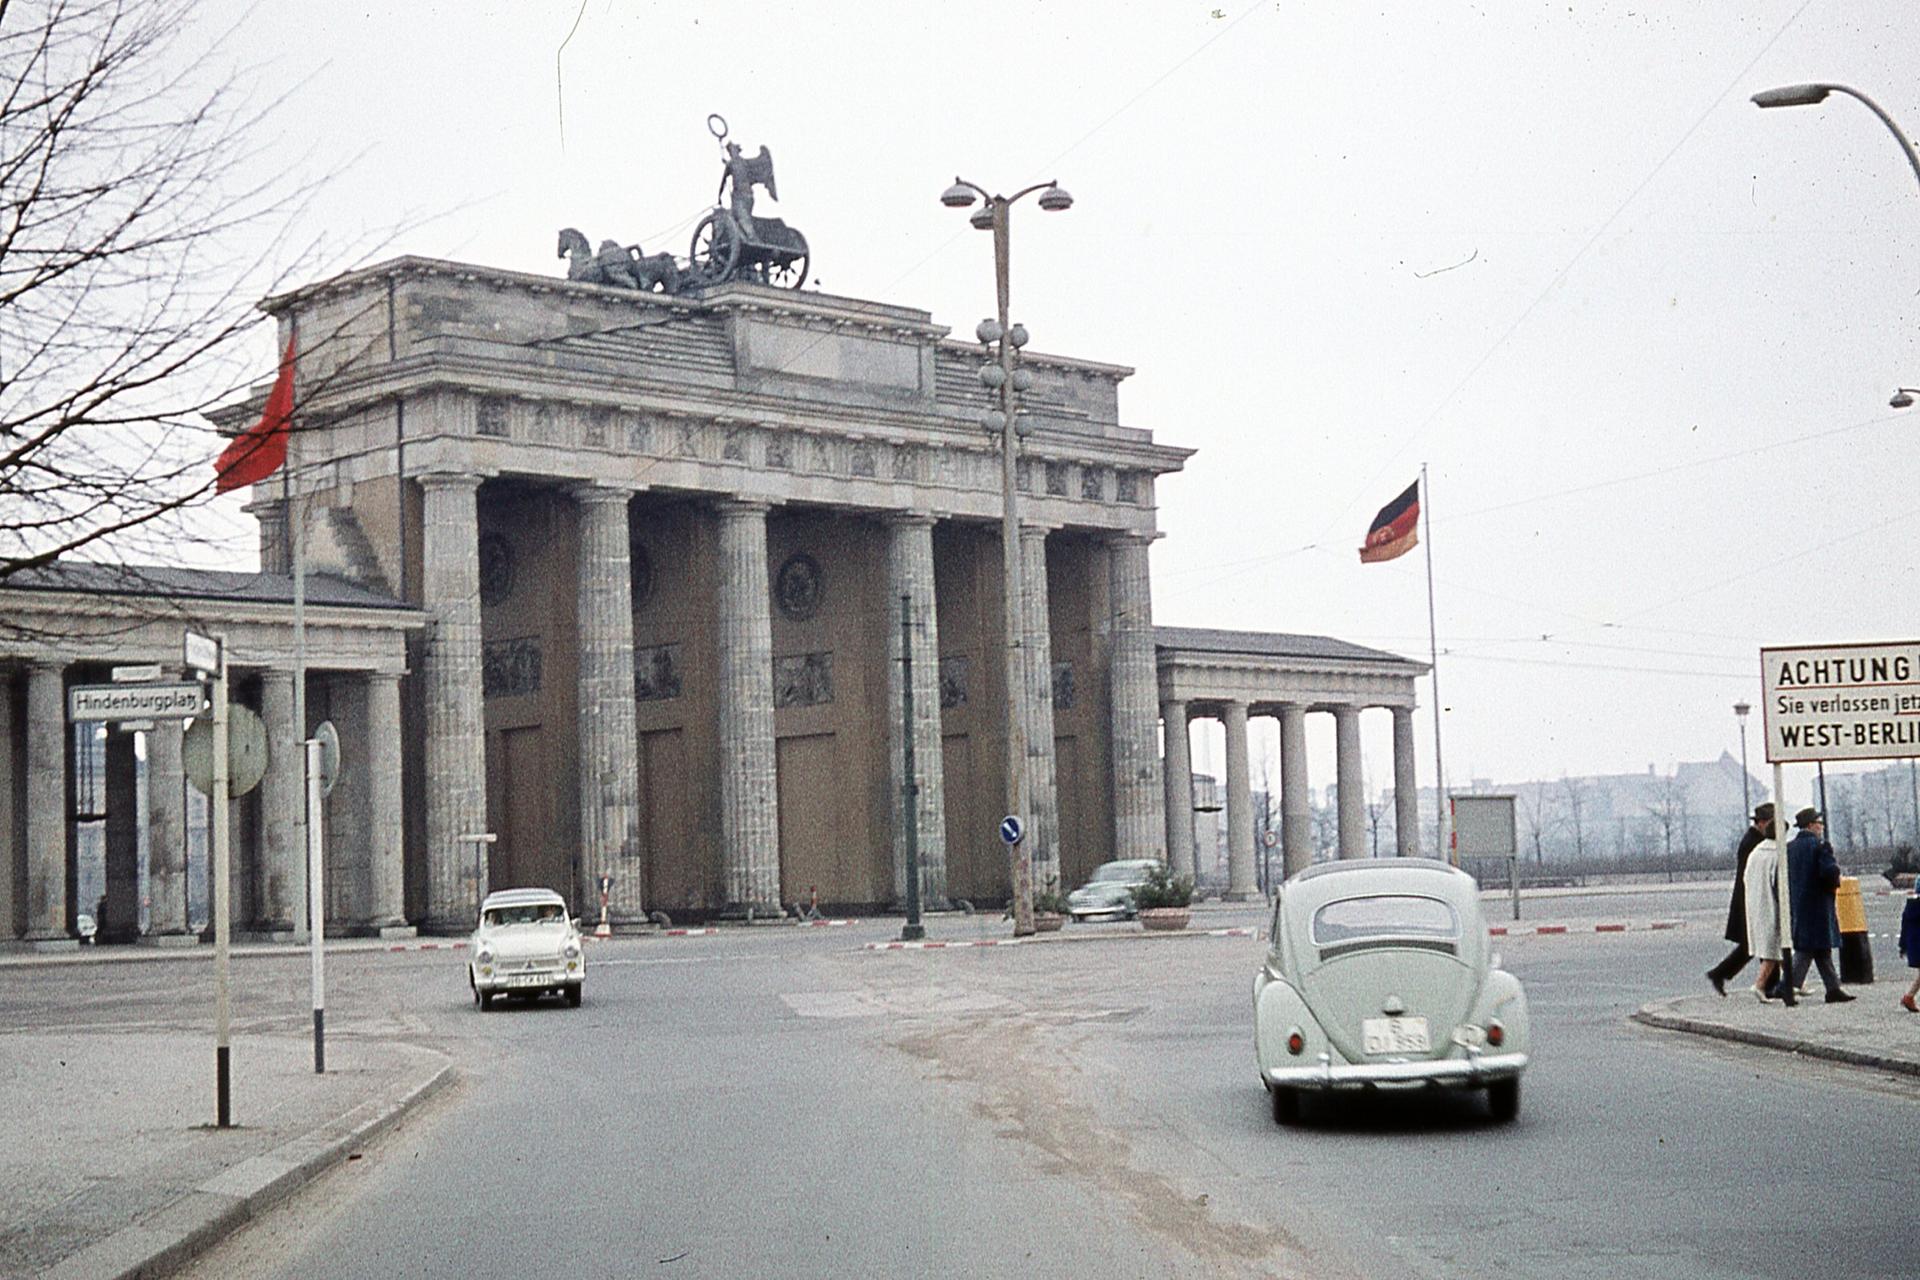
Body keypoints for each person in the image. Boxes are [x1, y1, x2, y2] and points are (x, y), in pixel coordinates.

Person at [1784, 808, 1853, 1003]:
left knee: (1821, 949)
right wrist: (1835, 882)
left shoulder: (1790, 848)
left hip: (1799, 903)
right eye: (1819, 822)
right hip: (1819, 904)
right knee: (1808, 948)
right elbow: (1829, 871)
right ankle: (1787, 986)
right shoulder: (1820, 846)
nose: (1822, 826)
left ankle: (1833, 989)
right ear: (1810, 825)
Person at [1707, 803, 1774, 996]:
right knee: (1759, 941)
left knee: (1754, 943)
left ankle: (1721, 974)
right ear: (1762, 823)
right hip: (1749, 898)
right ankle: (1768, 984)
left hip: (1748, 897)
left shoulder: (1753, 839)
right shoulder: (1754, 842)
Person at [1742, 814, 1787, 1002]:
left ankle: (1796, 981)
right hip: (1773, 905)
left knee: (1780, 947)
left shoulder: (1756, 852)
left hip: (1755, 904)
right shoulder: (1778, 854)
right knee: (1774, 947)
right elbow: (1780, 883)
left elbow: (1746, 877)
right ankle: (1760, 984)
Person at [1898, 888, 1920, 1013]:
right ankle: (1909, 997)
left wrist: (1903, 946)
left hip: (1914, 945)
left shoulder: (1911, 907)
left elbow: (1904, 928)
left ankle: (1909, 997)